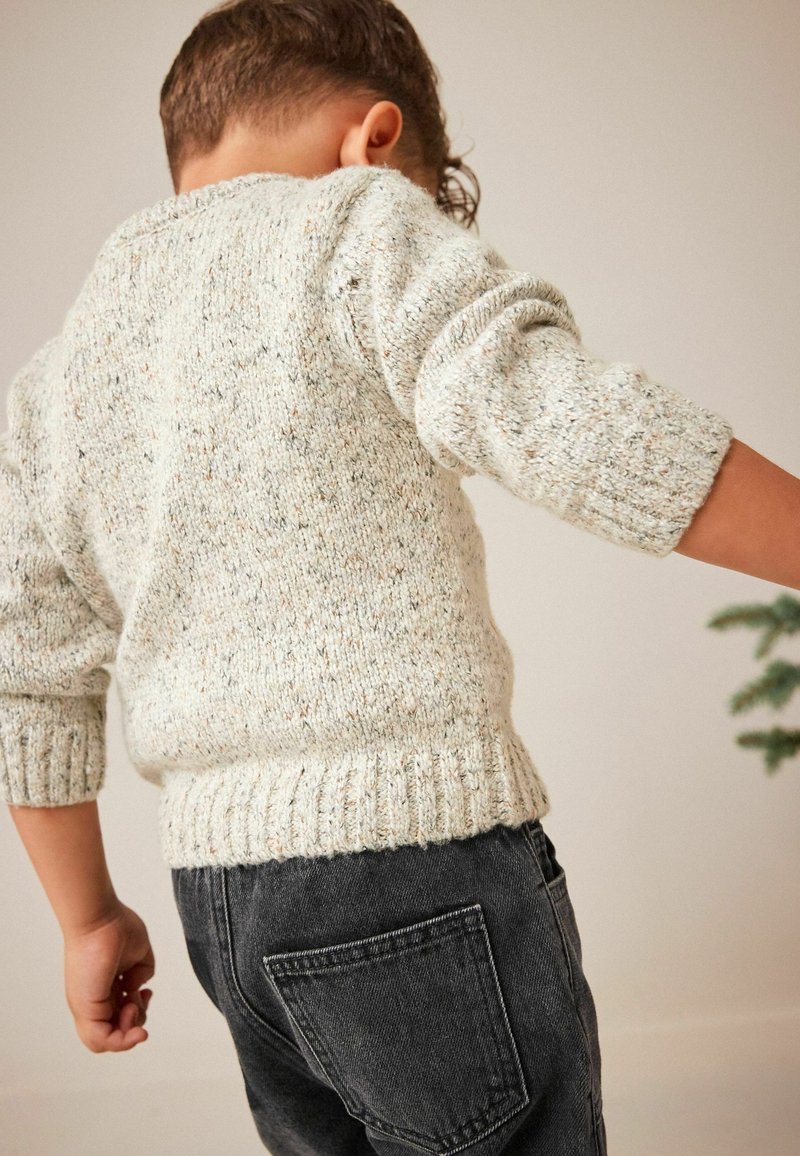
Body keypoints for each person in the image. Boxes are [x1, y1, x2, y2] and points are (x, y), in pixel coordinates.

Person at [2, 1, 798, 1153]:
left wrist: (85, 918)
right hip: (411, 859)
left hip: (219, 904)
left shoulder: (58, 374)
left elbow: (28, 675)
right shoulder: (354, 223)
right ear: (372, 141)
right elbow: (565, 420)